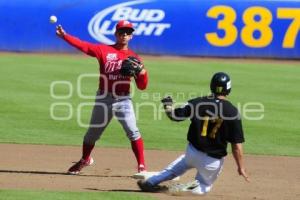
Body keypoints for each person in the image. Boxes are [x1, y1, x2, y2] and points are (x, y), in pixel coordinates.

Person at [56, 20, 148, 174]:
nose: (125, 35)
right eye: (121, 32)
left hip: (123, 100)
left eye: (128, 32)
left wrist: (143, 74)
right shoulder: (103, 50)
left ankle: (141, 167)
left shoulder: (135, 58)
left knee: (133, 131)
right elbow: (84, 46)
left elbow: (142, 86)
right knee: (92, 135)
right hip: (103, 98)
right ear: (116, 34)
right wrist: (65, 36)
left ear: (131, 36)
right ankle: (85, 159)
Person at [137, 72, 249, 195]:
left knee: (177, 166)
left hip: (192, 153)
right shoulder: (232, 111)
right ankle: (180, 189)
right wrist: (240, 167)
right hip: (211, 162)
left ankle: (152, 181)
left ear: (212, 86)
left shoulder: (197, 102)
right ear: (229, 88)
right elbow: (236, 147)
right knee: (204, 186)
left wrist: (168, 105)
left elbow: (175, 116)